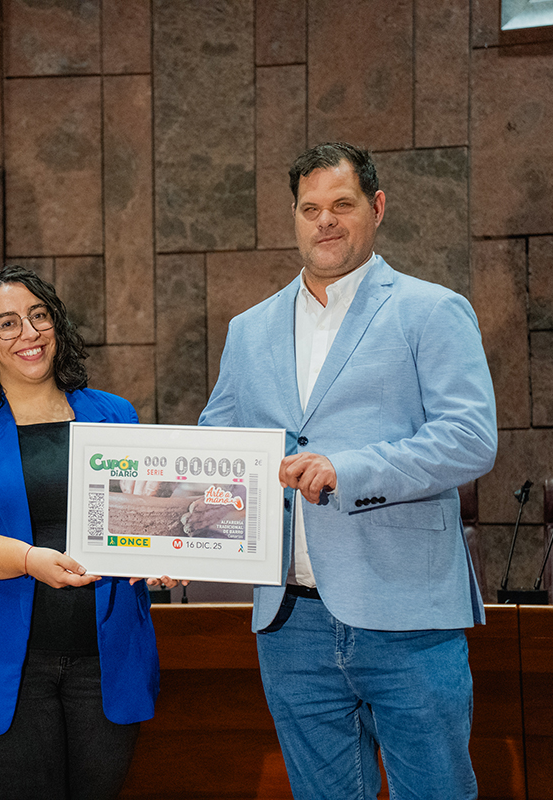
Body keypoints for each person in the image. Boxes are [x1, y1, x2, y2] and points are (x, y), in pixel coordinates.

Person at [200, 142, 497, 799]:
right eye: (310, 209)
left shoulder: (431, 310)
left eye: (342, 204)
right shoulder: (249, 330)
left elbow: (470, 440)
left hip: (407, 617)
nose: (324, 221)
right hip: (290, 623)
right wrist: (173, 532)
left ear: (377, 207)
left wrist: (349, 468)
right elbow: (215, 447)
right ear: (294, 218)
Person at [0, 266, 164, 799]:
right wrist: (29, 560)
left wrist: (165, 548)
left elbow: (147, 514)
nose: (28, 333)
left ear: (57, 325)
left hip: (106, 663)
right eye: (6, 323)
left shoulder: (114, 414)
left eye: (38, 315)